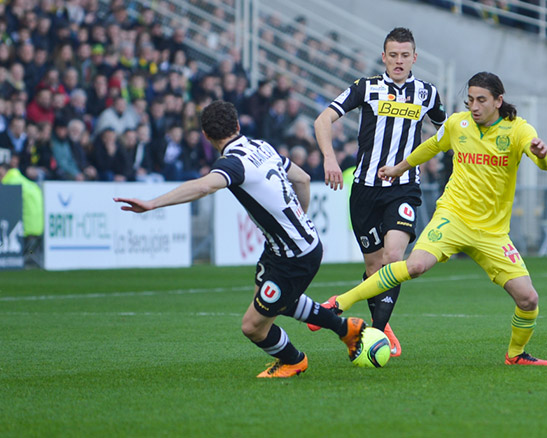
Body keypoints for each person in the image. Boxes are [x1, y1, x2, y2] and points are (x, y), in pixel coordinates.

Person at [314, 72, 547, 366]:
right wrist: (400, 168)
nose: (474, 106)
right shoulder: (457, 124)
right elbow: (430, 146)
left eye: (481, 100)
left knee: (529, 299)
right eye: (470, 100)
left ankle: (516, 355)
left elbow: (544, 162)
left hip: (493, 233)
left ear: (498, 101)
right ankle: (340, 302)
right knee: (413, 265)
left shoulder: (518, 130)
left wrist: (541, 154)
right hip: (451, 218)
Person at [114, 100, 366, 378]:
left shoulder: (233, 164)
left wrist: (152, 204)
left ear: (207, 137)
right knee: (272, 296)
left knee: (253, 326)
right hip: (291, 245)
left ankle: (294, 360)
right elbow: (303, 179)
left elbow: (203, 186)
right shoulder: (263, 147)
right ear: (237, 125)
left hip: (293, 257)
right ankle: (346, 329)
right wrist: (299, 219)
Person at [310, 27, 446, 357]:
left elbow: (447, 130)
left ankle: (375, 332)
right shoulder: (366, 88)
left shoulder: (427, 93)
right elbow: (322, 120)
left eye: (405, 55)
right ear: (383, 56)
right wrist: (329, 157)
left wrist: (428, 157)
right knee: (374, 268)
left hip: (403, 188)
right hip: (364, 190)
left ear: (415, 58)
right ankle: (379, 325)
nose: (399, 61)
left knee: (393, 257)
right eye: (393, 55)